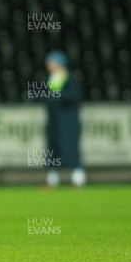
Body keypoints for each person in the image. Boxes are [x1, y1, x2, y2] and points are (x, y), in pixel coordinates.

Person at [44, 51, 86, 187]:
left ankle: (77, 178)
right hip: (53, 121)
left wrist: (57, 97)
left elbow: (75, 96)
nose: (48, 65)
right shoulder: (48, 78)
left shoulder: (71, 79)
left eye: (51, 62)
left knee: (71, 148)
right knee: (52, 148)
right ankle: (52, 179)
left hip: (68, 122)